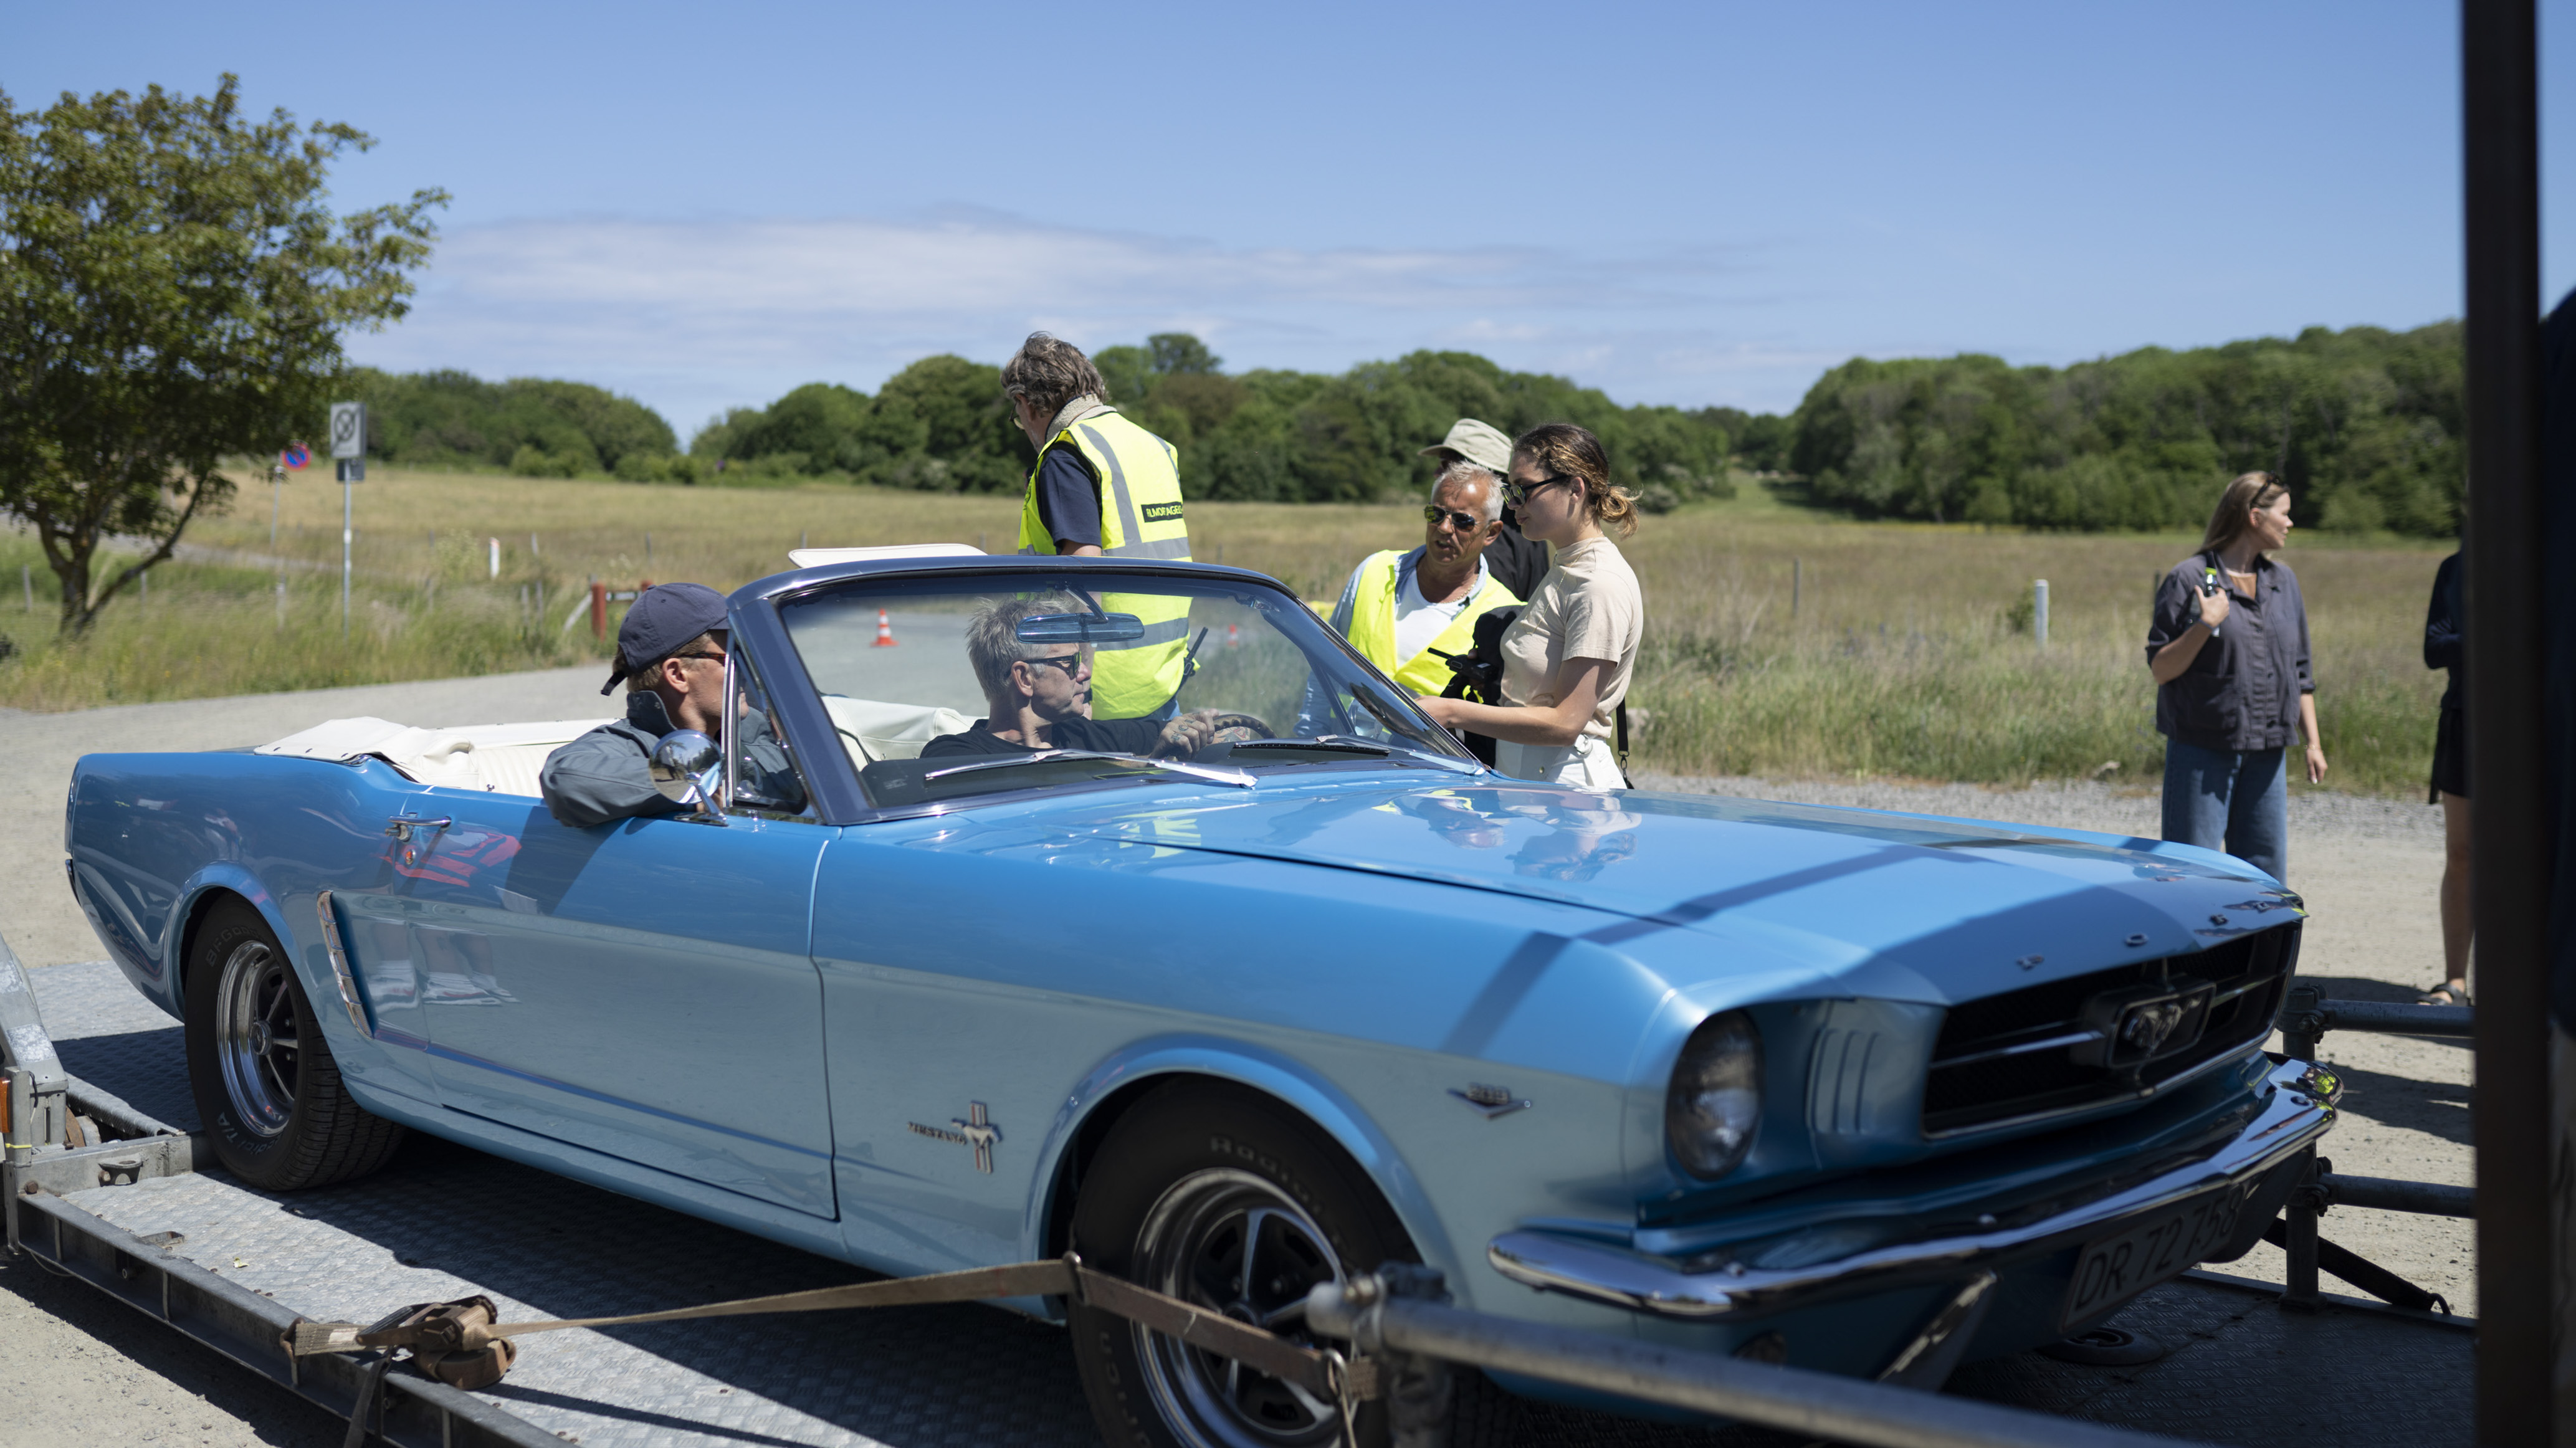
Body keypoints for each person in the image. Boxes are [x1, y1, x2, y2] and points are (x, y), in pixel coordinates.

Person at [1416, 423, 1643, 790]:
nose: (1512, 504)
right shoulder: (1568, 565)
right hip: (1536, 781)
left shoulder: (1597, 583)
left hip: (1566, 790)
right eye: (1510, 490)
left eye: (1523, 490)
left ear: (1575, 488)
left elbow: (1567, 723)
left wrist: (1448, 712)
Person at [2145, 471, 2326, 884]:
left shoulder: (2284, 582)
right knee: (2193, 875)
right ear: (2254, 516)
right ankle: (2195, 953)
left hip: (2269, 752)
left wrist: (2313, 743)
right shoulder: (2189, 579)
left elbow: (2301, 672)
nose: (2290, 523)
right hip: (2203, 751)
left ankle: (2257, 953)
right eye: (2285, 514)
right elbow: (2161, 669)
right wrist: (2203, 626)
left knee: (2264, 880)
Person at [1002, 333, 1191, 720]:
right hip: (1161, 681)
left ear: (1026, 402)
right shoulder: (1154, 446)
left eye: (1017, 415)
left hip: (1100, 693)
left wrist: (1079, 688)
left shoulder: (1067, 453)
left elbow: (1084, 575)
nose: (1022, 425)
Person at [540, 583, 805, 828]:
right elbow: (564, 779)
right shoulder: (630, 746)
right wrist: (695, 781)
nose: (747, 668)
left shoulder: (764, 735)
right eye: (733, 657)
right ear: (678, 674)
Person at [1303, 459, 1522, 746]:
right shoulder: (1374, 570)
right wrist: (1306, 741)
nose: (1444, 528)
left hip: (1432, 781)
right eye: (1436, 514)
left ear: (1491, 533)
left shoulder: (1506, 614)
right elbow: (1322, 667)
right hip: (1342, 762)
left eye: (1462, 521)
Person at [922, 595, 1246, 758]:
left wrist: (1201, 730)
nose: (1086, 672)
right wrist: (1150, 763)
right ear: (1024, 679)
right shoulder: (954, 756)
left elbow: (1229, 733)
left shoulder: (1082, 734)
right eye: (1070, 662)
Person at [1422, 419, 1550, 601]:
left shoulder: (1478, 545)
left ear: (1477, 473)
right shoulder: (1527, 529)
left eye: (1446, 464)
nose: (1437, 473)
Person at [2421, 549, 2471, 1004]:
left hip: (2538, 726)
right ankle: (2455, 980)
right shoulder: (2455, 570)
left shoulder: (2548, 559)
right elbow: (2434, 649)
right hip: (2466, 722)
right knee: (2461, 854)